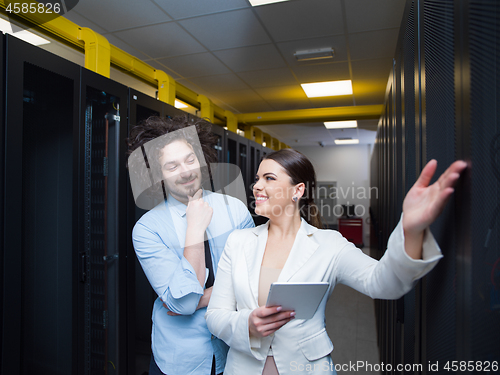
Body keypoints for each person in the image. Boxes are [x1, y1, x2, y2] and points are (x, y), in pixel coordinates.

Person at [205, 148, 467, 375]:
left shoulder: (329, 244)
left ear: (298, 190)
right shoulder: (238, 242)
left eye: (269, 178)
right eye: (257, 178)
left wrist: (411, 230)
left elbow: (383, 283)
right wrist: (247, 324)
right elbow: (215, 316)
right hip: (244, 365)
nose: (257, 186)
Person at [127, 115, 255, 375]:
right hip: (180, 360)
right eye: (172, 166)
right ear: (156, 175)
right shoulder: (147, 229)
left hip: (235, 351)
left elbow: (253, 281)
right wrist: (195, 230)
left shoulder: (236, 210)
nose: (186, 171)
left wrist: (199, 300)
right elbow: (184, 304)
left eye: (190, 159)